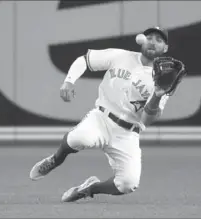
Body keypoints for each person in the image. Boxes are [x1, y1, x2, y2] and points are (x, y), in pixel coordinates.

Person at [29, 26, 177, 202]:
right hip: (101, 118)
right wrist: (68, 82)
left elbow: (147, 119)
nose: (153, 42)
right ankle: (55, 159)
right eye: (150, 37)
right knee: (79, 138)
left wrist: (157, 95)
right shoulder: (121, 56)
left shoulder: (164, 80)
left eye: (159, 40)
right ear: (141, 40)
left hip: (127, 133)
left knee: (128, 184)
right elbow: (84, 60)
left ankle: (89, 188)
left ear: (165, 48)